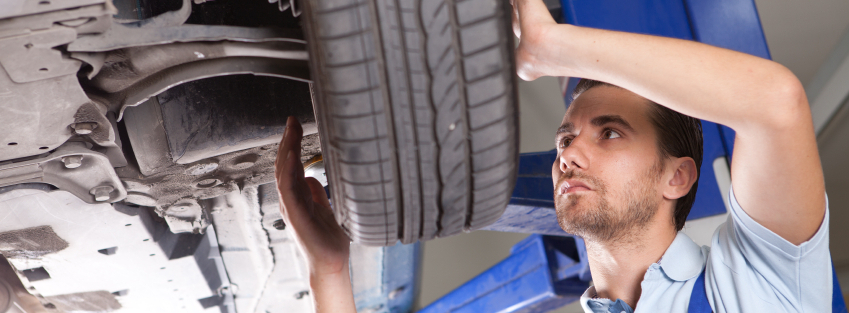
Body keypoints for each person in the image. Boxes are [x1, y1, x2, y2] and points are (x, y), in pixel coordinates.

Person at [273, 0, 831, 311]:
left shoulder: (763, 287)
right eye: (566, 139)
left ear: (677, 176)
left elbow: (774, 104)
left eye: (609, 133)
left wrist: (555, 47)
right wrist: (331, 270)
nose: (569, 153)